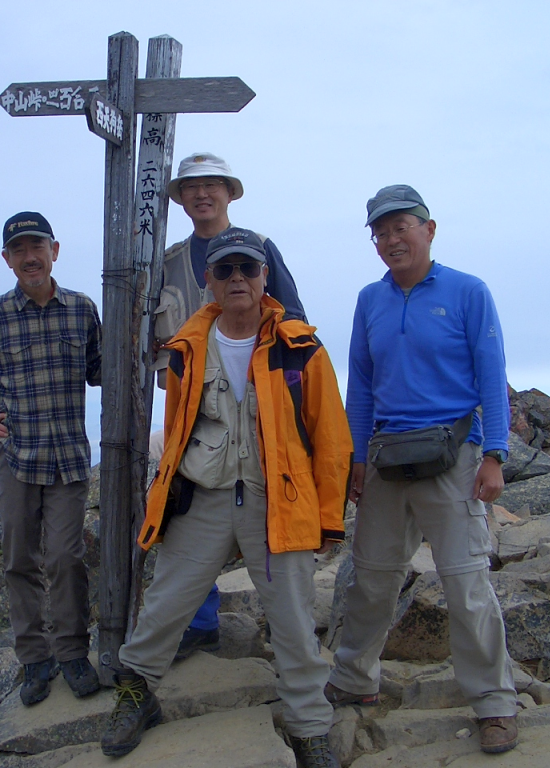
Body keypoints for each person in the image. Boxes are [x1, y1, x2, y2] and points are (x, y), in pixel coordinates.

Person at [101, 228, 353, 768]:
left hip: (277, 502)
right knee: (167, 602)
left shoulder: (301, 348)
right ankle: (136, 691)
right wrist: (163, 500)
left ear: (265, 277)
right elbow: (175, 433)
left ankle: (309, 727)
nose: (237, 279)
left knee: (291, 617)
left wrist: (327, 522)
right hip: (205, 493)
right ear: (207, 281)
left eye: (247, 269)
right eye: (225, 270)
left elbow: (331, 440)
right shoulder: (186, 349)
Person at [327, 185, 519, 754]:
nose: (391, 240)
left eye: (401, 228)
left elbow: (492, 373)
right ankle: (353, 679)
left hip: (453, 456)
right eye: (381, 233)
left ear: (429, 230)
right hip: (386, 458)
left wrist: (495, 454)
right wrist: (355, 461)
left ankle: (494, 703)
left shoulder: (467, 291)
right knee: (370, 580)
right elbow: (359, 385)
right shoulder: (370, 299)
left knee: (466, 583)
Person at [0, 212, 102, 706]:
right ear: (7, 260)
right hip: (16, 457)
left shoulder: (81, 309)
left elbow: (101, 369)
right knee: (18, 560)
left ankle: (73, 652)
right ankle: (35, 661)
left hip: (69, 458)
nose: (30, 257)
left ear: (55, 250)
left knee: (64, 557)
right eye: (19, 250)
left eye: (38, 247)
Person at [156, 151, 307, 661]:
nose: (202, 194)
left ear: (229, 193)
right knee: (184, 512)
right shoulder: (169, 260)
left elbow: (295, 323)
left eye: (212, 185)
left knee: (263, 515)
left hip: (256, 411)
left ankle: (290, 637)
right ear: (180, 199)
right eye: (192, 187)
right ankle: (199, 623)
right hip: (188, 414)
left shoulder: (258, 249)